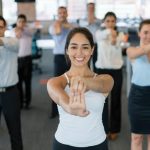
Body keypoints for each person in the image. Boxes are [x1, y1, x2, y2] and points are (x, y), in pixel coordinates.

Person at [47, 27, 114, 150]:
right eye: (73, 47)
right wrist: (70, 108)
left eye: (85, 47)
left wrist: (83, 81)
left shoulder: (105, 79)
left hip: (97, 144)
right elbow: (61, 99)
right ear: (67, 50)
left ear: (92, 50)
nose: (79, 53)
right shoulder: (56, 82)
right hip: (63, 144)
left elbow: (103, 85)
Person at [95, 12, 125, 140]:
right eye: (108, 21)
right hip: (102, 70)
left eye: (113, 21)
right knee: (102, 101)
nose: (111, 23)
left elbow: (116, 44)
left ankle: (114, 129)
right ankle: (103, 129)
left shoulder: (121, 35)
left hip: (116, 71)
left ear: (116, 22)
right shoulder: (99, 33)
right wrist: (110, 32)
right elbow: (100, 37)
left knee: (116, 100)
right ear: (104, 22)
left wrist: (114, 38)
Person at [0, 16, 23, 150]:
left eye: (0, 27)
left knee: (15, 133)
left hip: (10, 94)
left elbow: (13, 44)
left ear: (5, 28)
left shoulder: (12, 42)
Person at [127, 19, 150, 150]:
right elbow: (136, 52)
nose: (149, 36)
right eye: (146, 32)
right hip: (137, 98)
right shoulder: (132, 50)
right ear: (139, 33)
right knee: (136, 137)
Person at [49, 6, 75, 118]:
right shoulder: (53, 26)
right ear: (57, 14)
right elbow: (58, 32)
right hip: (59, 57)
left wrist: (67, 25)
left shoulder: (72, 26)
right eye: (60, 13)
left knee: (72, 83)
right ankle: (54, 111)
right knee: (56, 84)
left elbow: (76, 31)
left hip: (70, 57)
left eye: (64, 12)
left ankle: (71, 107)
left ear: (67, 14)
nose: (62, 14)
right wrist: (62, 24)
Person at [14, 14, 33, 109]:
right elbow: (16, 35)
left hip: (27, 60)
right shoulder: (13, 32)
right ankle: (20, 102)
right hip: (17, 60)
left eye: (23, 21)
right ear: (17, 22)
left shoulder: (28, 31)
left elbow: (28, 32)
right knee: (19, 83)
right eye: (19, 21)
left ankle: (27, 102)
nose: (21, 23)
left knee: (27, 82)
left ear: (25, 23)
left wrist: (22, 29)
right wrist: (17, 30)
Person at [78, 2, 101, 71]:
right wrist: (90, 16)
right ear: (87, 9)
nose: (91, 9)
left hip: (96, 45)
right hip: (85, 45)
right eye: (89, 8)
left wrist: (92, 17)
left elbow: (95, 21)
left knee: (96, 63)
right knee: (85, 63)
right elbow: (89, 21)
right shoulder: (82, 21)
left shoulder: (98, 21)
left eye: (92, 8)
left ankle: (96, 79)